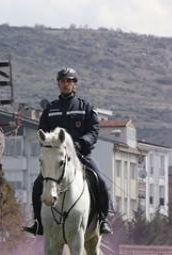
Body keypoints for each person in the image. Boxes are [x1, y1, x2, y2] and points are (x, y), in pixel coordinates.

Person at [24, 68, 112, 236]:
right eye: (62, 81)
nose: (65, 84)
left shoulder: (85, 107)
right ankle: (38, 222)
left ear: (75, 84)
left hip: (80, 156)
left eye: (69, 81)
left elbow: (94, 131)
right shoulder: (50, 109)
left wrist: (81, 143)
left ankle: (102, 219)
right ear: (58, 84)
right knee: (37, 185)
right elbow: (42, 131)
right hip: (57, 159)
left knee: (99, 179)